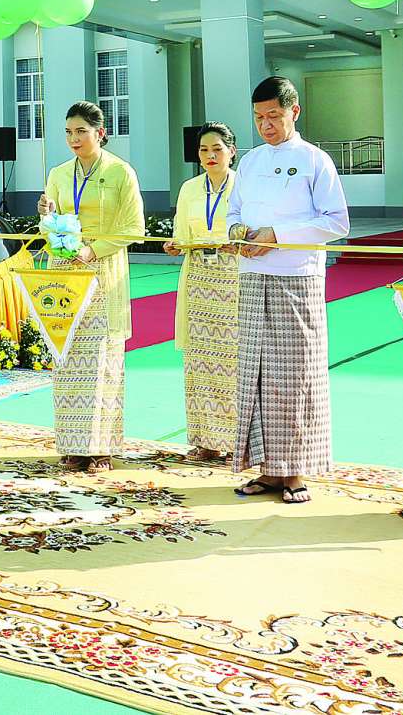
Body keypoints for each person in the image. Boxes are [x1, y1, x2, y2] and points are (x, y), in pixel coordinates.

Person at [228, 76, 349, 505]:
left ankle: (295, 470)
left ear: (294, 112)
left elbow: (337, 221)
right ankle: (267, 469)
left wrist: (277, 236)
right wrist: (238, 233)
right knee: (257, 374)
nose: (266, 125)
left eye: (274, 116)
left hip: (296, 277)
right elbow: (234, 212)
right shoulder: (250, 161)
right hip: (251, 275)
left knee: (296, 376)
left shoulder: (315, 159)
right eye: (259, 117)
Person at [37, 102, 144, 473]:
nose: (74, 139)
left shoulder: (120, 172)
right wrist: (46, 216)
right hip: (64, 272)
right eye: (68, 132)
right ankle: (71, 443)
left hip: (103, 271)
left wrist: (92, 250)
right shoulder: (58, 173)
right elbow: (49, 225)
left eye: (81, 131)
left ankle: (100, 446)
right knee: (66, 357)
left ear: (100, 133)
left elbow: (134, 228)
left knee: (101, 360)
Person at [166, 122, 241, 463]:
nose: (210, 156)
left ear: (231, 152)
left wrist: (236, 243)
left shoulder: (243, 186)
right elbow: (181, 234)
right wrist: (174, 245)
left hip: (233, 278)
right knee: (199, 361)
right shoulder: (189, 188)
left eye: (217, 149)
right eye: (203, 150)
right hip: (198, 277)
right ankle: (205, 440)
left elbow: (250, 231)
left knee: (233, 361)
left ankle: (236, 441)